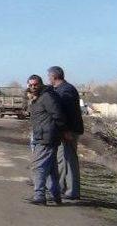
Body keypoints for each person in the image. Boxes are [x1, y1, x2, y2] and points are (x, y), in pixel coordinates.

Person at [26, 74, 68, 205]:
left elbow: (58, 115)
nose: (33, 87)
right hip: (42, 135)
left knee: (38, 167)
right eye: (30, 85)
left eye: (35, 84)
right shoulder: (36, 97)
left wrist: (61, 131)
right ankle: (56, 196)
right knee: (51, 169)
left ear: (41, 84)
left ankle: (39, 196)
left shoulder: (47, 97)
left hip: (46, 137)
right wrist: (31, 101)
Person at [47, 66, 83, 200]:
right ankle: (61, 188)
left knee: (70, 160)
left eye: (49, 76)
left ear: (54, 77)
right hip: (65, 131)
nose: (48, 79)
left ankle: (73, 191)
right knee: (62, 160)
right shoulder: (61, 89)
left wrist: (67, 130)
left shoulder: (66, 90)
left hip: (70, 131)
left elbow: (69, 113)